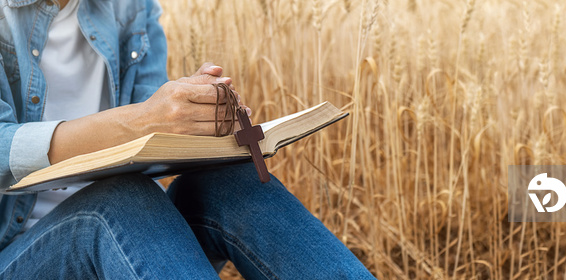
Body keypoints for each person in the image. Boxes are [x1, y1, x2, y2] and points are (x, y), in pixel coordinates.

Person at [0, 0, 375, 278]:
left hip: (137, 230)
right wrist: (143, 120)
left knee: (231, 182)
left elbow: (150, 141)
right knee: (121, 201)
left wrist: (193, 117)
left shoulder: (131, 7)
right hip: (19, 252)